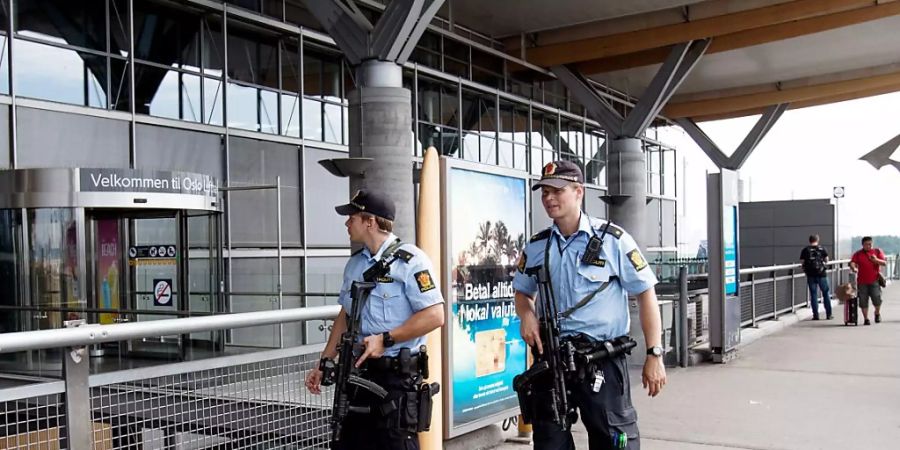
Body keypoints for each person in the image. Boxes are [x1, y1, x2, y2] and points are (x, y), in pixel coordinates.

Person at [513, 160, 666, 450]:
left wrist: (654, 353)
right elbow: (522, 293)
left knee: (613, 441)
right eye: (544, 192)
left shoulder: (613, 240)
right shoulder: (536, 246)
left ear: (579, 192)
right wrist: (527, 315)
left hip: (601, 361)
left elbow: (646, 293)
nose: (548, 198)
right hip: (553, 360)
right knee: (549, 443)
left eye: (557, 191)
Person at [304, 189, 445, 450]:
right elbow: (346, 316)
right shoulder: (355, 264)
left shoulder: (411, 261)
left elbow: (435, 315)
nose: (347, 223)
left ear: (370, 221)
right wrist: (325, 361)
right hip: (356, 375)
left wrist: (386, 339)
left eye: (352, 218)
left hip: (395, 381)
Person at [850, 236, 886, 325]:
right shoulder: (858, 254)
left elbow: (884, 263)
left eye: (870, 244)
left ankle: (877, 313)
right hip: (862, 282)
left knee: (877, 299)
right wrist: (853, 267)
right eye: (866, 244)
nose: (869, 246)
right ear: (862, 245)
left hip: (874, 280)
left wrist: (876, 260)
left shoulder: (877, 251)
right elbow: (852, 262)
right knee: (863, 301)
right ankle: (866, 319)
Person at [799, 234, 832, 320]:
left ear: (809, 240)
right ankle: (828, 314)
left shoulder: (805, 250)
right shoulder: (822, 249)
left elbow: (802, 262)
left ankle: (816, 315)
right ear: (818, 240)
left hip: (811, 275)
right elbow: (826, 260)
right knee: (826, 293)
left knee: (813, 294)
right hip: (822, 274)